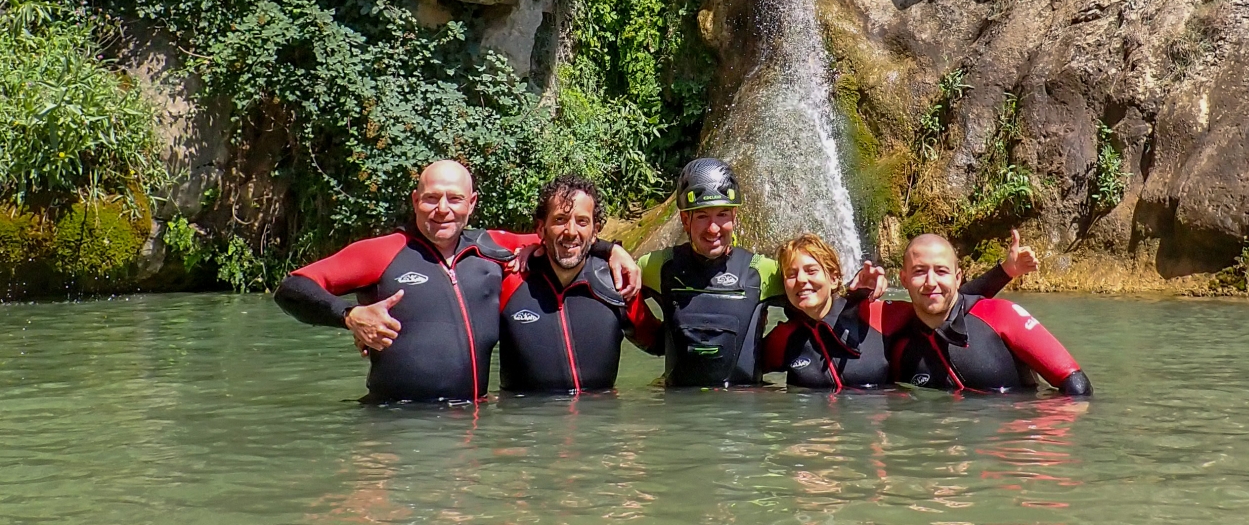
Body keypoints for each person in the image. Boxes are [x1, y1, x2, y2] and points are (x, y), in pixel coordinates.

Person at [274, 159, 640, 403]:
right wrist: (349, 315)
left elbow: (564, 239)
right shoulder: (382, 252)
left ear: (472, 203)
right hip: (393, 422)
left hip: (471, 427)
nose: (443, 209)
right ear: (415, 200)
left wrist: (612, 250)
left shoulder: (493, 250)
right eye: (431, 199)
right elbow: (292, 287)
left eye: (455, 198)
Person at [637, 157, 886, 387]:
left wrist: (855, 291)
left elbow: (815, 299)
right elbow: (617, 297)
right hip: (679, 419)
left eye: (722, 214)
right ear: (685, 220)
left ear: (734, 216)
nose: (713, 228)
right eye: (702, 216)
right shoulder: (658, 266)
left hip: (745, 420)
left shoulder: (761, 270)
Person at [759, 228, 1043, 390]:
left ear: (834, 277)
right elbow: (744, 375)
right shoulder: (784, 339)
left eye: (811, 270)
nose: (802, 281)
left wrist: (1004, 271)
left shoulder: (875, 316)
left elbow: (944, 303)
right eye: (791, 274)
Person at [497, 174, 662, 393]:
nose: (571, 231)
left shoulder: (616, 285)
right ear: (540, 228)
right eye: (560, 220)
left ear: (595, 231)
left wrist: (611, 248)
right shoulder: (511, 279)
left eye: (582, 221)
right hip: (529, 424)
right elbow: (463, 238)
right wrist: (609, 248)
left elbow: (662, 343)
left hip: (596, 425)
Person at [882, 233, 1091, 396]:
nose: (931, 282)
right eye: (919, 271)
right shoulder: (899, 346)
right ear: (903, 279)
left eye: (941, 271)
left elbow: (1077, 386)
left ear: (958, 277)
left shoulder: (1000, 316)